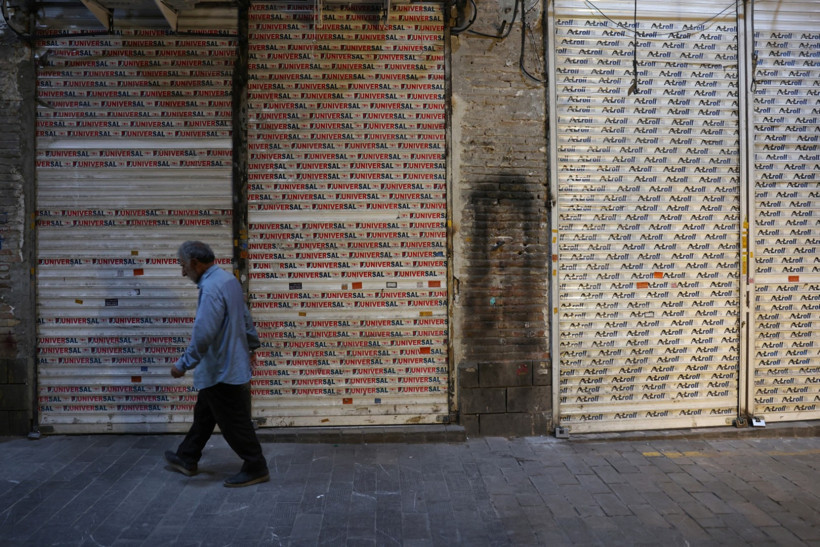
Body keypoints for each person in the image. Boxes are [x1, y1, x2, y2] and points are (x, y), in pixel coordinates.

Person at [164, 240, 269, 487]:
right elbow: (245, 317)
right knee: (205, 413)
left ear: (194, 263)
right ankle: (186, 457)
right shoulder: (227, 280)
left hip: (221, 368)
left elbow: (203, 334)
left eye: (183, 266)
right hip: (228, 365)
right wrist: (252, 345)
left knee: (234, 422)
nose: (182, 272)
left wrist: (183, 364)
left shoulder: (211, 288)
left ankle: (256, 465)